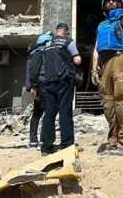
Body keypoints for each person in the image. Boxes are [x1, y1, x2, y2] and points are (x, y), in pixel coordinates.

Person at [90, 0, 123, 156]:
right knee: (108, 104)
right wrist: (93, 69)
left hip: (120, 59)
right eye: (108, 1)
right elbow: (96, 49)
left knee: (122, 102)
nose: (111, 2)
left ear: (119, 3)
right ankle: (113, 143)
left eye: (114, 0)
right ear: (104, 5)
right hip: (105, 65)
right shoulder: (101, 25)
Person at [40, 23, 81, 156]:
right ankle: (67, 145)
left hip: (49, 82)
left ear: (56, 31)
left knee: (49, 114)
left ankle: (46, 147)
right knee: (65, 113)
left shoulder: (47, 44)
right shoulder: (68, 42)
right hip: (64, 81)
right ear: (66, 32)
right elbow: (77, 60)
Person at [25, 33, 52, 150]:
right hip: (42, 86)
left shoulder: (32, 53)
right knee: (46, 114)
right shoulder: (41, 53)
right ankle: (44, 141)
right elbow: (36, 71)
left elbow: (29, 72)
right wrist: (35, 86)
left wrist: (31, 86)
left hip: (36, 86)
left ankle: (33, 141)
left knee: (37, 114)